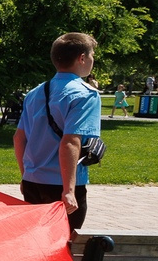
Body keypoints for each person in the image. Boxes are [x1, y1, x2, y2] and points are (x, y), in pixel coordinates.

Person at [14, 32, 101, 228]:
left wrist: (25, 175)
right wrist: (69, 190)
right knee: (63, 245)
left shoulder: (35, 93)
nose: (92, 60)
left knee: (35, 242)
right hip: (62, 185)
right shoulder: (85, 95)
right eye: (92, 55)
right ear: (81, 58)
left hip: (32, 181)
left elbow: (19, 138)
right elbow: (70, 142)